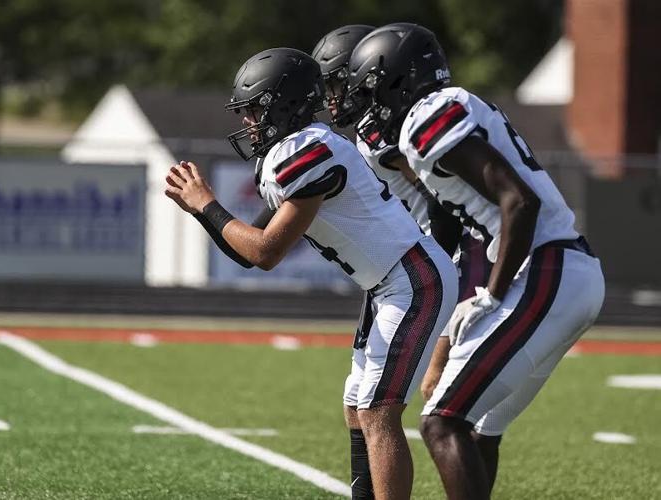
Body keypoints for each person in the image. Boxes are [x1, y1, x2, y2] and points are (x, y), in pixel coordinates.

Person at [164, 47, 459, 500]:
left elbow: (265, 252)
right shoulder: (301, 149)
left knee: (379, 411)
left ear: (284, 105)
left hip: (413, 280)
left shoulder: (308, 150)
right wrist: (203, 211)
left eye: (254, 110)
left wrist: (206, 205)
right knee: (357, 407)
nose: (247, 122)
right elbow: (248, 253)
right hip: (388, 283)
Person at [346, 24, 605, 500]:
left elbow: (518, 203)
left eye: (369, 89)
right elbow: (458, 220)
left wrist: (493, 294)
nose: (366, 103)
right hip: (566, 269)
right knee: (477, 426)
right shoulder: (442, 112)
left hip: (547, 270)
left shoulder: (428, 115)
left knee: (441, 423)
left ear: (398, 81)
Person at [312, 23, 492, 413]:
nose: (329, 98)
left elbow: (440, 203)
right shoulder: (367, 130)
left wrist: (431, 257)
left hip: (442, 258)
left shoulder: (382, 131)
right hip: (411, 261)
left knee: (434, 398)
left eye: (335, 85)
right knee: (359, 395)